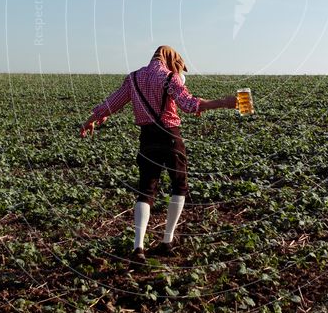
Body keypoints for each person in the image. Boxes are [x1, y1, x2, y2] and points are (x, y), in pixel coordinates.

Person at [80, 45, 236, 265]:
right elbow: (190, 105)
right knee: (179, 187)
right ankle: (167, 241)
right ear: (172, 61)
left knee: (146, 190)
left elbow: (112, 102)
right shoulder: (170, 78)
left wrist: (93, 118)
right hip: (170, 136)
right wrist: (223, 103)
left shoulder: (133, 78)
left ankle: (138, 247)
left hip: (148, 139)